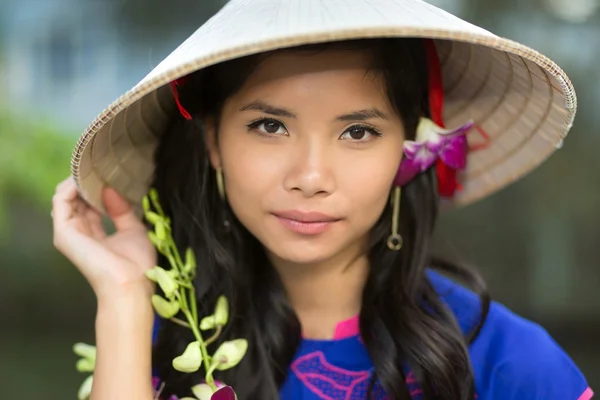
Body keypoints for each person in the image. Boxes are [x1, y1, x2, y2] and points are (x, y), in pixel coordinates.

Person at [51, 0, 593, 399]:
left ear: (408, 150)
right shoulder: (167, 345)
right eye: (269, 126)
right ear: (214, 143)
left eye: (358, 133)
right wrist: (123, 297)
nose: (310, 176)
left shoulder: (508, 362)